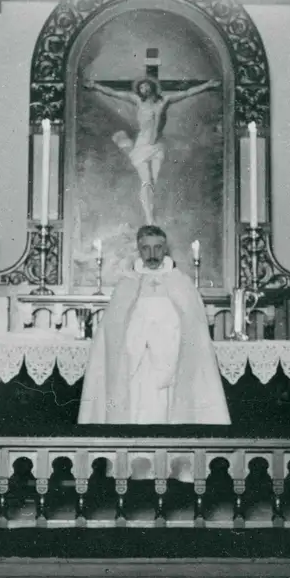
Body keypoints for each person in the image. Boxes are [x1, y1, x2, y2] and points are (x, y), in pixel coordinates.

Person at [78, 225, 229, 427]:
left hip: (173, 365)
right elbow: (112, 330)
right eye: (146, 248)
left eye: (157, 248)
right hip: (135, 366)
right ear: (139, 250)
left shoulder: (181, 283)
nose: (152, 254)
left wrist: (164, 340)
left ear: (165, 249)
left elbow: (193, 328)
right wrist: (139, 338)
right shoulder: (127, 284)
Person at [83, 76, 221, 225]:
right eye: (141, 87)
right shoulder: (137, 101)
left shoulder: (165, 100)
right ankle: (149, 218)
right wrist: (95, 86)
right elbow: (114, 93)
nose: (144, 89)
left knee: (153, 182)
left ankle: (151, 213)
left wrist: (207, 84)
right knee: (146, 181)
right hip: (142, 144)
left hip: (157, 145)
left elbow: (187, 93)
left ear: (152, 87)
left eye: (146, 86)